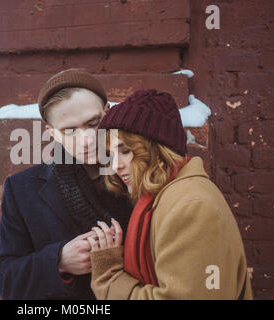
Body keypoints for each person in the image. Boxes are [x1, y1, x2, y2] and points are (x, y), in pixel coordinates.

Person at [87, 89, 253, 300]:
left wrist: (109, 277)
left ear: (158, 149)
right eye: (111, 155)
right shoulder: (163, 197)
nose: (116, 166)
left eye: (126, 151)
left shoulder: (191, 206)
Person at [0, 68, 133, 299]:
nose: (86, 140)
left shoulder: (142, 173)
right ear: (52, 134)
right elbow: (3, 276)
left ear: (108, 112)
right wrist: (59, 261)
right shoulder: (23, 189)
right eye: (70, 130)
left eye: (93, 123)